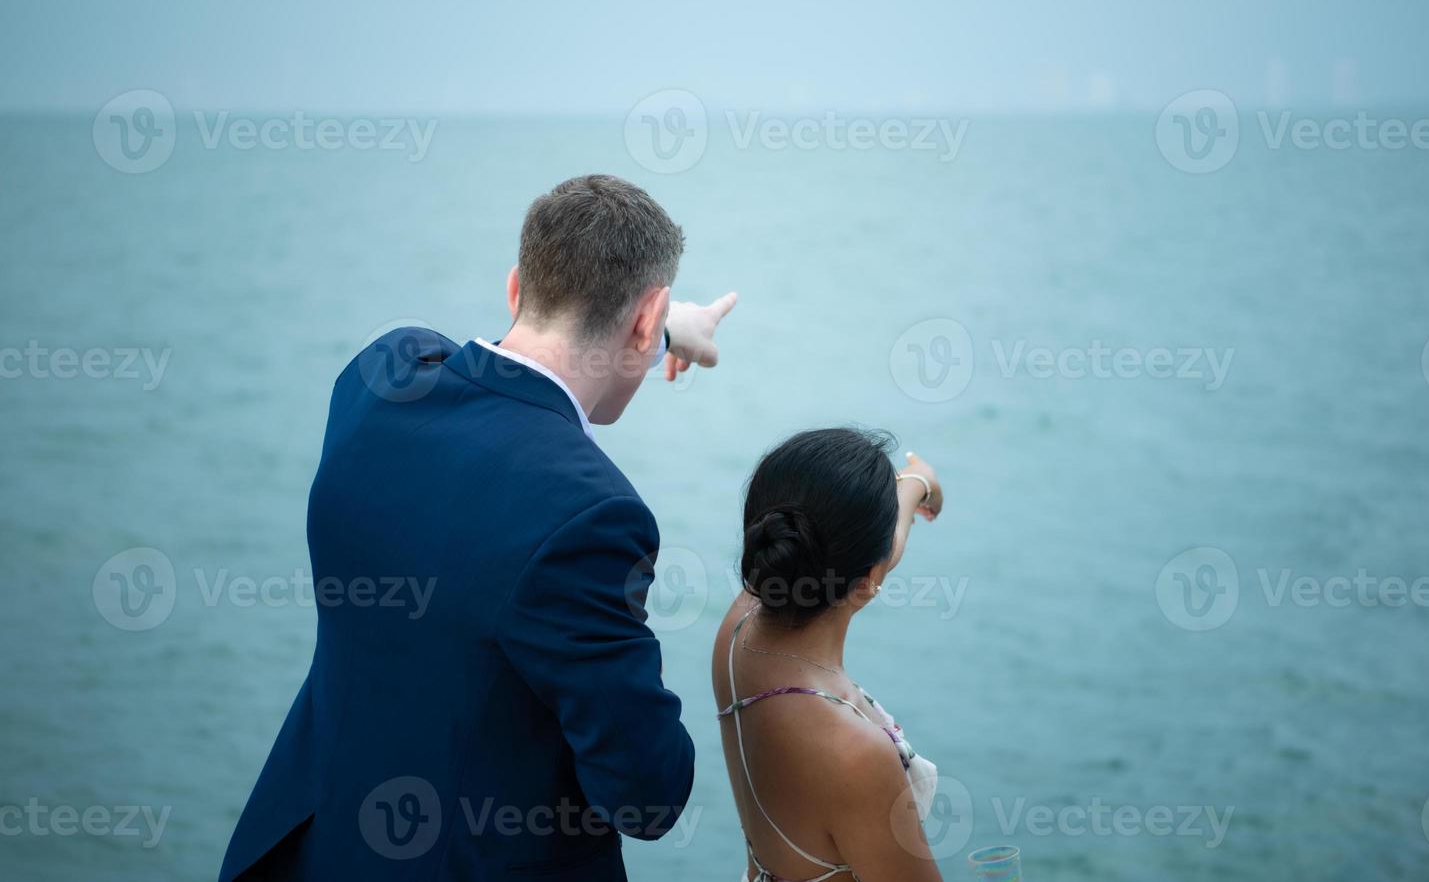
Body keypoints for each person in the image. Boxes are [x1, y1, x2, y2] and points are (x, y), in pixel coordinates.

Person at [219, 175, 738, 881]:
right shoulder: (590, 516)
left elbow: (487, 359)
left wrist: (663, 330)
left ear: (516, 286)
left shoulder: (376, 380)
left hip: (313, 848)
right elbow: (646, 796)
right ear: (645, 320)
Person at [712, 428, 946, 882]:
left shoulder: (737, 631)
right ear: (870, 578)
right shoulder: (855, 752)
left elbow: (874, 553)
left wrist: (917, 483)